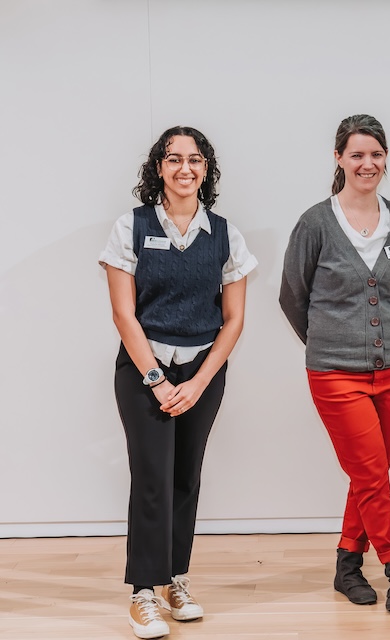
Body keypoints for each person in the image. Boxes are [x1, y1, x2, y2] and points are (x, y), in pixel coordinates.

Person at [99, 126, 257, 638]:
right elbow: (125, 315)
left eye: (194, 160)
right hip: (144, 369)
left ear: (206, 169)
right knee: (152, 478)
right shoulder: (131, 227)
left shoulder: (226, 235)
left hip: (202, 372)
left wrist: (197, 382)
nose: (184, 168)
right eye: (173, 159)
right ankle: (142, 593)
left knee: (186, 477)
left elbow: (232, 320)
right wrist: (157, 381)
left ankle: (175, 580)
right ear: (158, 169)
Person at [279, 114, 390, 615]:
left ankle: (347, 562)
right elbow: (292, 296)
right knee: (371, 473)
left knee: (370, 473)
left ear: (386, 159)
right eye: (356, 154)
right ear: (339, 158)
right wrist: (329, 344)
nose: (367, 163)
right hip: (335, 373)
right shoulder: (316, 222)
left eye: (376, 154)